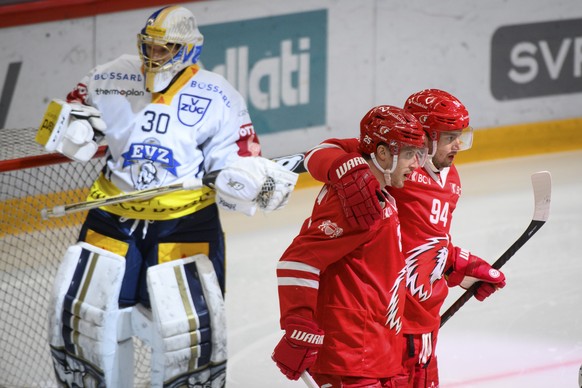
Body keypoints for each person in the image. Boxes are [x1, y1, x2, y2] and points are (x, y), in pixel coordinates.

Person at [38, 5, 298, 387]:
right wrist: (69, 125)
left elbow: (239, 156)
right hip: (113, 218)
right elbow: (67, 114)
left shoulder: (219, 94)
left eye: (165, 49)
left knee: (189, 336)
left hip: (185, 224)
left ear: (188, 49)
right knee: (86, 323)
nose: (153, 56)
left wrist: (242, 177)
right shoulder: (111, 75)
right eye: (149, 46)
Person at [304, 89, 507, 387]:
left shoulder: (451, 178)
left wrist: (458, 267)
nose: (457, 145)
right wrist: (346, 172)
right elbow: (319, 153)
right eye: (449, 136)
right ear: (423, 135)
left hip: (427, 322)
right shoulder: (393, 169)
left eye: (460, 135)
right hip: (391, 326)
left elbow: (426, 239)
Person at [272, 105, 429, 387]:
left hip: (372, 351)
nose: (416, 164)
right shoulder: (358, 205)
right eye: (408, 154)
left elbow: (334, 148)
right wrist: (299, 324)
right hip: (351, 357)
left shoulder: (376, 189)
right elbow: (298, 260)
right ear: (382, 154)